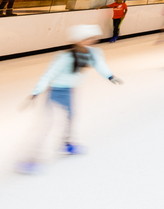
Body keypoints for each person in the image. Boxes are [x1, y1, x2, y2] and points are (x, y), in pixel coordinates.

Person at [17, 24, 123, 173]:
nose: (90, 41)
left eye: (92, 39)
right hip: (55, 92)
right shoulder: (65, 57)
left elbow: (100, 65)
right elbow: (49, 74)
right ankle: (30, 159)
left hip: (70, 91)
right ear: (78, 40)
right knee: (47, 124)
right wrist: (35, 93)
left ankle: (66, 144)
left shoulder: (93, 53)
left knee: (71, 118)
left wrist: (110, 76)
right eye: (87, 39)